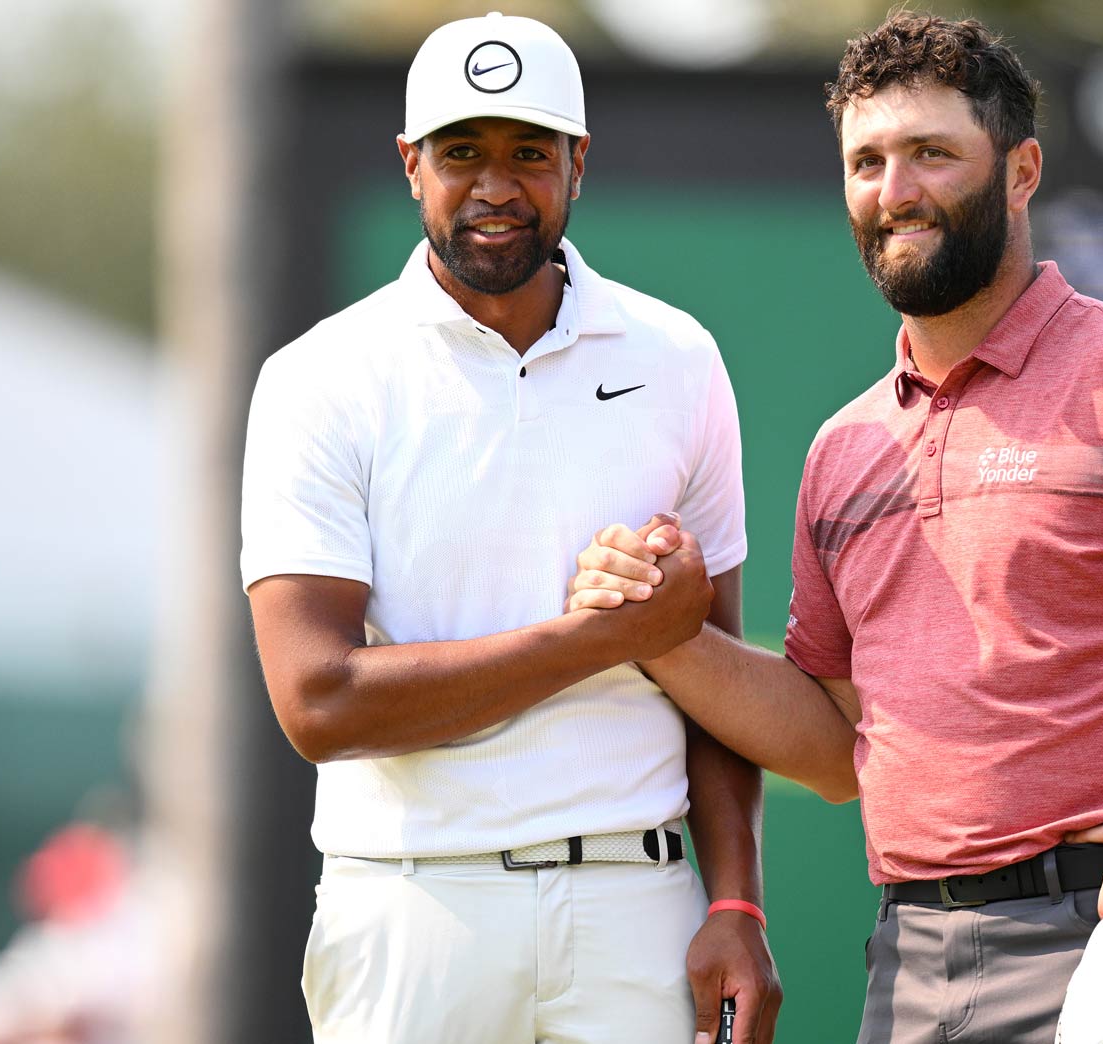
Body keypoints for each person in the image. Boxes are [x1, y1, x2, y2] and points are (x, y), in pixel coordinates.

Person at [565, 12, 1103, 1043]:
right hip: (912, 959)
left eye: (932, 153)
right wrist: (668, 640)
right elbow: (841, 749)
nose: (896, 192)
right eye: (867, 161)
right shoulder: (845, 449)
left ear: (1020, 172)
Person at [239, 13, 779, 1044]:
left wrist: (736, 904)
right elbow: (318, 700)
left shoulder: (677, 357)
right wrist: (597, 642)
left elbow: (716, 683)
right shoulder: (319, 379)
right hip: (409, 904)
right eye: (460, 154)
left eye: (528, 153)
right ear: (410, 166)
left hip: (636, 895)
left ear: (578, 163)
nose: (495, 186)